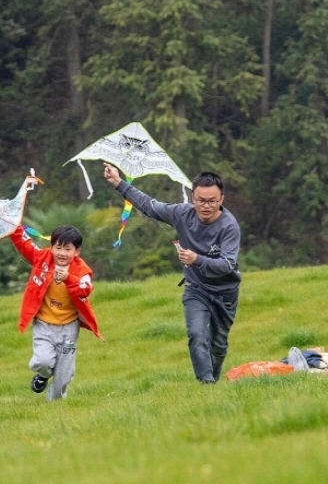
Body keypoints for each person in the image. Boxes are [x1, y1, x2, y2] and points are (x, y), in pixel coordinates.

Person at [103, 163, 242, 383]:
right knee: (196, 334)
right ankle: (206, 385)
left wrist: (197, 259)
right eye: (201, 200)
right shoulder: (182, 213)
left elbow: (227, 265)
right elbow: (149, 206)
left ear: (221, 199)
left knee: (218, 343)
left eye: (212, 201)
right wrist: (119, 183)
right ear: (192, 197)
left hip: (225, 292)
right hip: (196, 289)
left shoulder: (229, 226)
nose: (206, 206)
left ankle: (214, 380)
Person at [9, 225, 102, 401]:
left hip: (69, 330)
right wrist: (13, 226)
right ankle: (43, 375)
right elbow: (25, 243)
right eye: (58, 247)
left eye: (67, 249)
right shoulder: (42, 258)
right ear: (51, 247)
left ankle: (54, 405)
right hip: (43, 325)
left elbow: (86, 289)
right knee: (43, 361)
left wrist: (68, 278)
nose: (62, 253)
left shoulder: (82, 270)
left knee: (64, 375)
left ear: (77, 251)